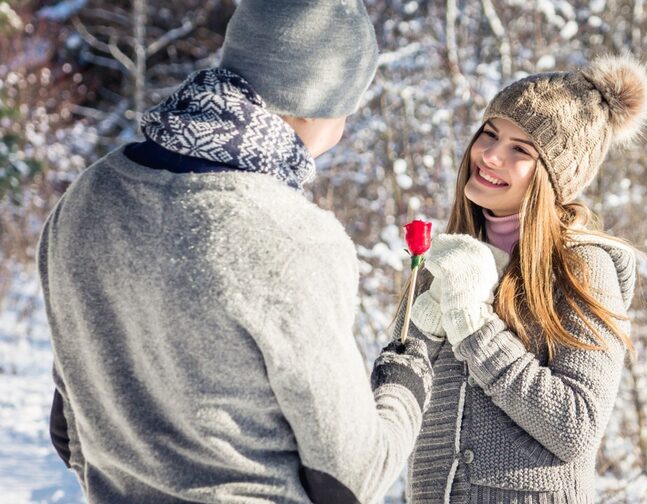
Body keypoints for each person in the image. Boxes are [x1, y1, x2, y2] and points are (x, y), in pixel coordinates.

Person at [40, 1, 433, 503]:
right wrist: (405, 383)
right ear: (317, 101)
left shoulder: (87, 197)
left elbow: (70, 430)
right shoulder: (293, 240)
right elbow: (349, 476)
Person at [395, 53, 647, 503]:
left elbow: (576, 427)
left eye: (521, 150)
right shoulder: (449, 260)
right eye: (489, 134)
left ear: (554, 177)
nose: (491, 155)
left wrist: (475, 327)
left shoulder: (581, 269)